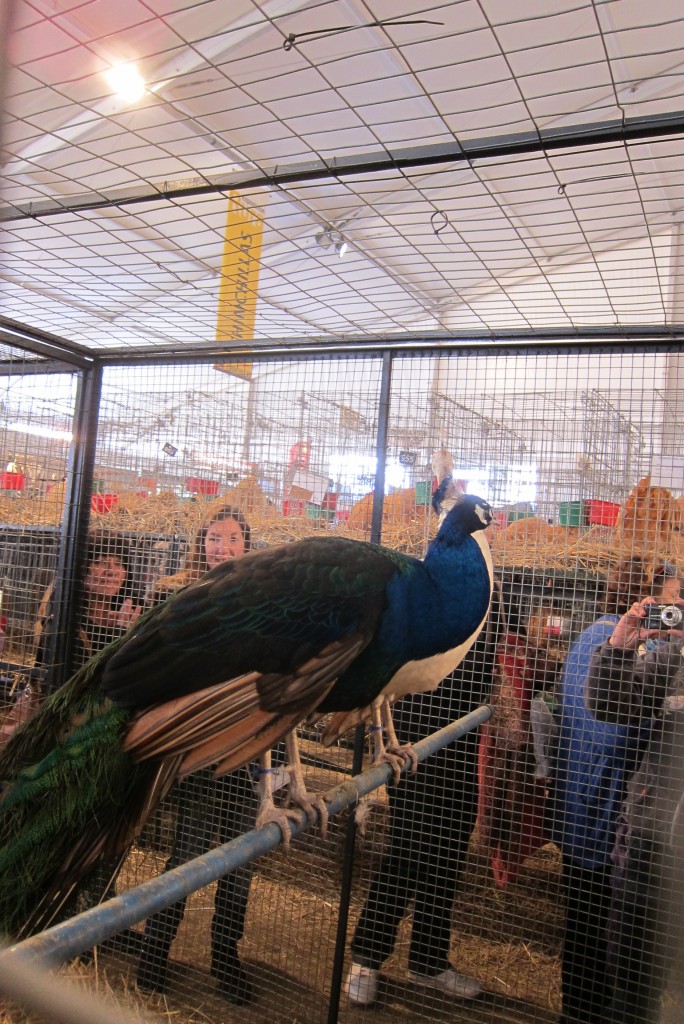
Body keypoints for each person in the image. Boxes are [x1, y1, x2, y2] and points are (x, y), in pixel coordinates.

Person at [343, 587, 504, 1008]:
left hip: (463, 754)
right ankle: (367, 958)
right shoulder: (424, 600)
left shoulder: (492, 603)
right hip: (414, 750)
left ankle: (428, 962)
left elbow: (500, 664)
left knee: (448, 859)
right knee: (407, 854)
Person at [136, 503, 258, 1006]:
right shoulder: (177, 593)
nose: (221, 547)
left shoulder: (260, 598)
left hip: (243, 747)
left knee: (240, 860)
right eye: (213, 537)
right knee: (186, 853)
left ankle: (224, 958)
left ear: (246, 545)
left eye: (231, 538)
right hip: (193, 745)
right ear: (199, 543)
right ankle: (154, 955)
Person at [549, 558, 680, 1024]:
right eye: (671, 600)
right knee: (605, 936)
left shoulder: (593, 634)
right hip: (608, 819)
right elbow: (613, 727)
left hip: (583, 811)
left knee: (585, 929)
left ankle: (579, 1011)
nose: (674, 611)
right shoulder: (631, 645)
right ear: (643, 600)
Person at [585, 579, 684, 1024]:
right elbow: (608, 705)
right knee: (631, 989)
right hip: (650, 837)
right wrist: (619, 649)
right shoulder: (674, 656)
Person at [35, 529, 144, 670]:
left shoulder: (132, 614)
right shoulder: (62, 623)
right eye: (100, 562)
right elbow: (77, 683)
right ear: (80, 569)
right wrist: (120, 632)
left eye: (118, 563)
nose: (111, 571)